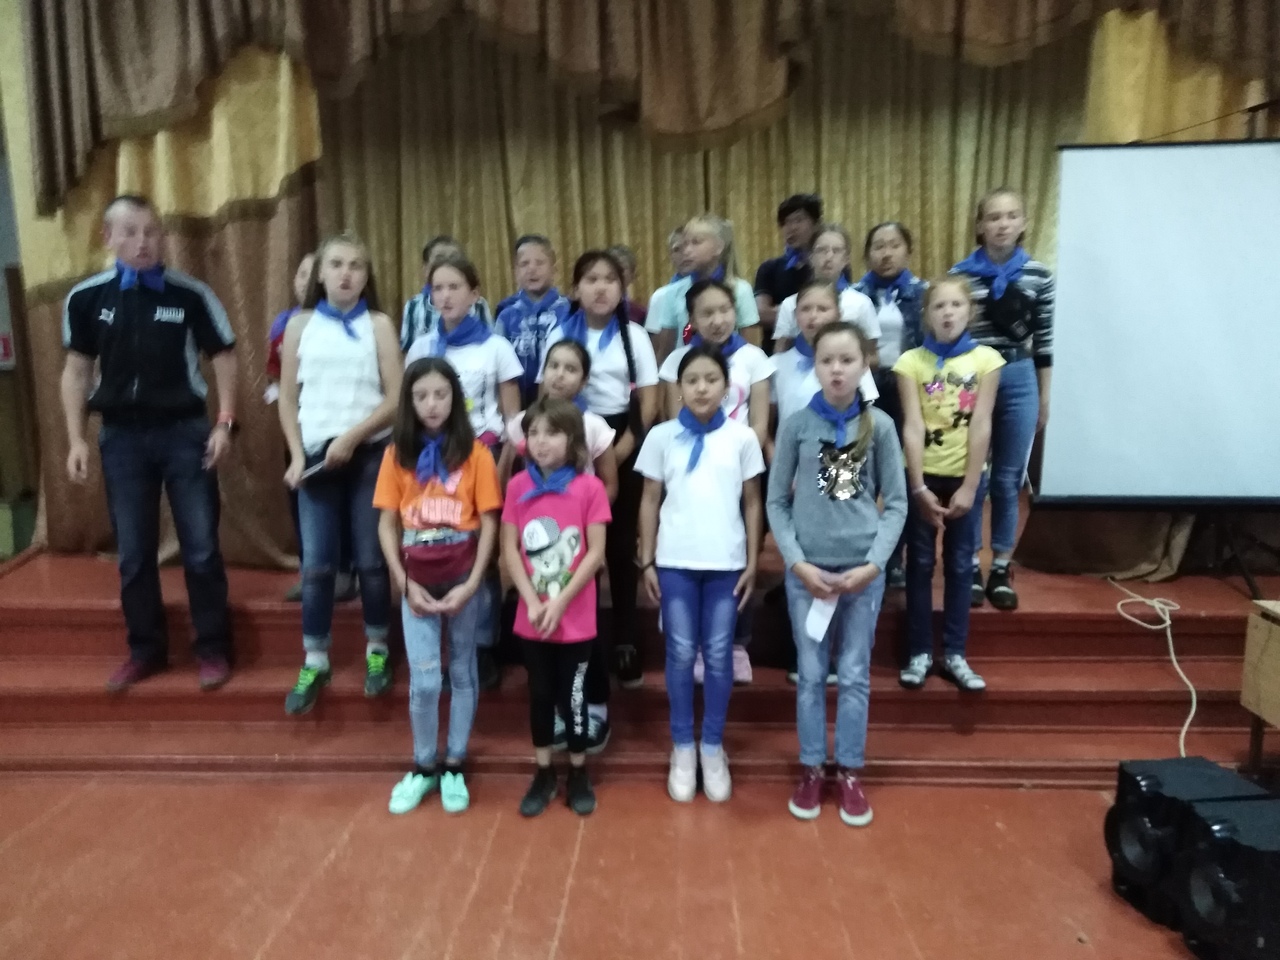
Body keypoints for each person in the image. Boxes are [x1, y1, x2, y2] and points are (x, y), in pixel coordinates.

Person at [61, 194, 238, 692]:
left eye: (152, 232)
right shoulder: (86, 298)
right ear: (108, 237)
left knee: (201, 548)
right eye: (131, 232)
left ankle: (213, 648)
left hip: (185, 433)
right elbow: (76, 372)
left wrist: (224, 423)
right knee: (134, 554)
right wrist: (75, 438)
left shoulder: (191, 294)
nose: (144, 242)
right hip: (121, 439)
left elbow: (224, 356)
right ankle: (146, 651)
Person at [767, 321, 906, 826]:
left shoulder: (881, 427)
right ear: (816, 366)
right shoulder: (797, 426)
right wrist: (797, 562)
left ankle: (848, 769)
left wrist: (873, 564)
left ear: (864, 364)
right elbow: (777, 502)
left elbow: (896, 504)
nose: (837, 369)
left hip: (861, 575)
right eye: (827, 360)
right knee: (809, 675)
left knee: (853, 675)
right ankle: (811, 767)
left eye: (847, 360)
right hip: (808, 575)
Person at [277, 232, 401, 715]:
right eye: (336, 264)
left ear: (367, 276)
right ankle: (315, 659)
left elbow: (395, 399)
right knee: (317, 565)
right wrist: (295, 455)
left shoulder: (379, 325)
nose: (346, 274)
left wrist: (352, 437)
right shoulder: (299, 325)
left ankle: (378, 650)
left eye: (356, 265)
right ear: (320, 273)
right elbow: (288, 400)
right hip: (315, 458)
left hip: (368, 454)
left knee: (371, 561)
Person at [637, 345, 764, 803]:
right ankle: (682, 746)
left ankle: (712, 745)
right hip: (675, 562)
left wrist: (753, 560)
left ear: (726, 387)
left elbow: (753, 503)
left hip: (726, 563)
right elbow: (649, 500)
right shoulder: (662, 437)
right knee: (679, 652)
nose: (702, 388)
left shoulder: (742, 438)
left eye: (711, 379)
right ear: (680, 388)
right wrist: (647, 559)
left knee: (718, 653)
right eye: (692, 380)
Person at [376, 358, 501, 815]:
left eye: (441, 394)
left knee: (463, 671)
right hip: (418, 578)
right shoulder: (397, 455)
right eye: (422, 396)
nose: (432, 404)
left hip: (463, 572)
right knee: (426, 680)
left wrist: (473, 584)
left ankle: (454, 764)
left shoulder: (477, 454)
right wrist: (403, 581)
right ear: (409, 402)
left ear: (455, 398)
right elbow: (386, 524)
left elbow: (489, 522)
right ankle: (423, 765)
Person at [541, 250, 659, 690]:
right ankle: (574, 639)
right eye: (591, 279)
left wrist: (617, 452)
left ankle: (625, 639)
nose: (601, 287)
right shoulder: (559, 332)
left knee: (619, 546)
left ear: (622, 289)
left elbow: (649, 403)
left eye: (610, 279)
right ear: (575, 289)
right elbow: (546, 393)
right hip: (567, 441)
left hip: (620, 440)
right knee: (569, 546)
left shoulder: (635, 336)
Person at [405, 255, 523, 689]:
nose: (445, 296)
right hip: (430, 462)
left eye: (455, 287)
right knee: (438, 546)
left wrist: (504, 466)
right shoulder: (421, 348)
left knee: (481, 553)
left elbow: (513, 420)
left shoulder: (496, 347)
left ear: (475, 294)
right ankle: (439, 638)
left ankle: (483, 644)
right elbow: (410, 410)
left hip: (481, 457)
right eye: (437, 288)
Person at [503, 339, 618, 753]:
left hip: (577, 542)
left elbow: (608, 483)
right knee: (543, 641)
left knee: (583, 632)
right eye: (553, 365)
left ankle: (594, 706)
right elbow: (508, 473)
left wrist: (584, 521)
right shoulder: (523, 423)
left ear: (584, 380)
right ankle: (553, 713)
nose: (559, 374)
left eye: (571, 368)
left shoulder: (593, 426)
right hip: (537, 541)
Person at [658, 278, 773, 684]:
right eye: (706, 313)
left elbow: (760, 423)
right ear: (691, 319)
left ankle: (736, 642)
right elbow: (672, 420)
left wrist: (734, 460)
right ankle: (690, 643)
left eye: (724, 310)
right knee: (692, 553)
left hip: (738, 468)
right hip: (691, 468)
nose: (717, 320)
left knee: (738, 557)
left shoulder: (754, 358)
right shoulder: (676, 361)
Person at [895, 278, 1002, 692]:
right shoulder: (911, 362)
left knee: (960, 564)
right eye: (939, 305)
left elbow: (982, 424)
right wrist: (917, 487)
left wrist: (971, 486)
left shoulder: (986, 360)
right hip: (923, 476)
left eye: (956, 304)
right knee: (920, 563)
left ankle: (955, 652)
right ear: (927, 314)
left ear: (969, 311)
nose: (948, 312)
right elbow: (912, 425)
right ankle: (920, 652)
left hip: (965, 477)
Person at [950, 187, 1054, 611]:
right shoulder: (960, 274)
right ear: (980, 225)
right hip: (973, 376)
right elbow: (951, 337)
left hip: (1019, 374)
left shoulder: (1039, 276)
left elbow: (1045, 340)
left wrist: (1044, 396)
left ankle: (1000, 566)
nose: (1003, 224)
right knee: (973, 476)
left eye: (1011, 216)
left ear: (1024, 222)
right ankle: (970, 563)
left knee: (1009, 479)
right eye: (993, 217)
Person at [267, 252, 357, 604]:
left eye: (313, 272)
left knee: (345, 501)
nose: (306, 280)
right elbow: (276, 374)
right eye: (301, 273)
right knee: (302, 499)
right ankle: (311, 572)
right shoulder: (286, 324)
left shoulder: (353, 323)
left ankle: (346, 571)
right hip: (301, 426)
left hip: (341, 425)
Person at [856, 222, 929, 587]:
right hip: (864, 385)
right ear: (867, 253)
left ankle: (897, 556)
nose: (886, 253)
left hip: (907, 387)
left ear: (908, 250)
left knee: (901, 473)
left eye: (894, 245)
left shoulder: (923, 293)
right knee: (862, 470)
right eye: (878, 246)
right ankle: (862, 548)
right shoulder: (854, 296)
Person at [645, 214, 761, 363]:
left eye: (696, 242)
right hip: (687, 369)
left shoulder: (740, 290)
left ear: (718, 247)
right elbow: (665, 350)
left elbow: (751, 345)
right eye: (685, 244)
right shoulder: (673, 293)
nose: (686, 250)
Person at [773, 281, 880, 433]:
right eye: (805, 309)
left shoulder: (853, 364)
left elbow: (867, 416)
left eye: (822, 309)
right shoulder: (776, 365)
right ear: (795, 315)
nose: (813, 316)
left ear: (838, 314)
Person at [771, 224, 877, 353]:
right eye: (821, 250)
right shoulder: (790, 304)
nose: (829, 257)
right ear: (810, 256)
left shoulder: (861, 303)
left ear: (846, 259)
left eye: (836, 251)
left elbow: (872, 355)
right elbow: (780, 352)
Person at [495, 234, 570, 406]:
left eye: (540, 262)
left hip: (559, 405)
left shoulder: (568, 311)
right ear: (515, 272)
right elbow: (498, 365)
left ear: (554, 268)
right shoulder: (506, 316)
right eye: (524, 264)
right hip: (516, 402)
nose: (532, 269)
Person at [399, 236, 496, 353]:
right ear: (425, 269)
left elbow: (490, 340)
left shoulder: (479, 304)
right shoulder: (414, 306)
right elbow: (407, 350)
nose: (446, 263)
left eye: (453, 257)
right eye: (439, 258)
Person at [754, 193, 822, 340]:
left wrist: (780, 311)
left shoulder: (826, 266)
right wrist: (809, 312)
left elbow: (835, 310)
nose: (791, 228)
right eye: (786, 222)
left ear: (816, 224)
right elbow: (761, 315)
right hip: (776, 349)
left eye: (798, 220)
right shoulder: (769, 268)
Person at [606, 244, 648, 328]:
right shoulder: (588, 310)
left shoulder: (640, 313)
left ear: (633, 275)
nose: (616, 272)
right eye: (611, 267)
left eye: (622, 268)